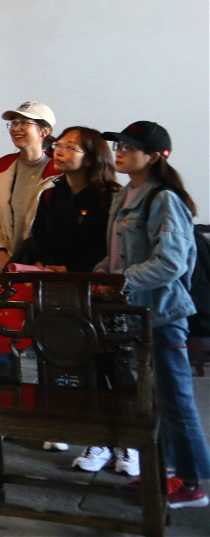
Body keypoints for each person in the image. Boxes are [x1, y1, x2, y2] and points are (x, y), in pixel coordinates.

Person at [97, 121, 210, 509]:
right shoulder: (125, 195)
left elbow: (171, 263)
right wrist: (100, 275)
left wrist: (120, 281)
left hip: (163, 313)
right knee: (155, 398)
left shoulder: (164, 199)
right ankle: (166, 471)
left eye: (130, 147)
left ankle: (192, 484)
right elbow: (117, 254)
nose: (120, 152)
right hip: (136, 312)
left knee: (176, 397)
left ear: (154, 156)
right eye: (119, 146)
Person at [13, 127, 127, 475]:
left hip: (100, 293)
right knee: (79, 367)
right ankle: (98, 439)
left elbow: (113, 250)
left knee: (115, 368)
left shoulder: (110, 197)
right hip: (61, 293)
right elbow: (39, 239)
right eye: (58, 145)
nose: (59, 151)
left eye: (70, 147)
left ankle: (128, 441)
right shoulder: (51, 194)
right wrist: (43, 264)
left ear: (91, 157)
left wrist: (76, 268)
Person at [0, 101, 59, 402]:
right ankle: (6, 408)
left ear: (45, 131)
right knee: (3, 342)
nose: (17, 128)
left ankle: (52, 410)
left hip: (47, 273)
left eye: (25, 123)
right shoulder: (3, 168)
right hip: (7, 270)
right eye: (13, 123)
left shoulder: (60, 170)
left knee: (52, 343)